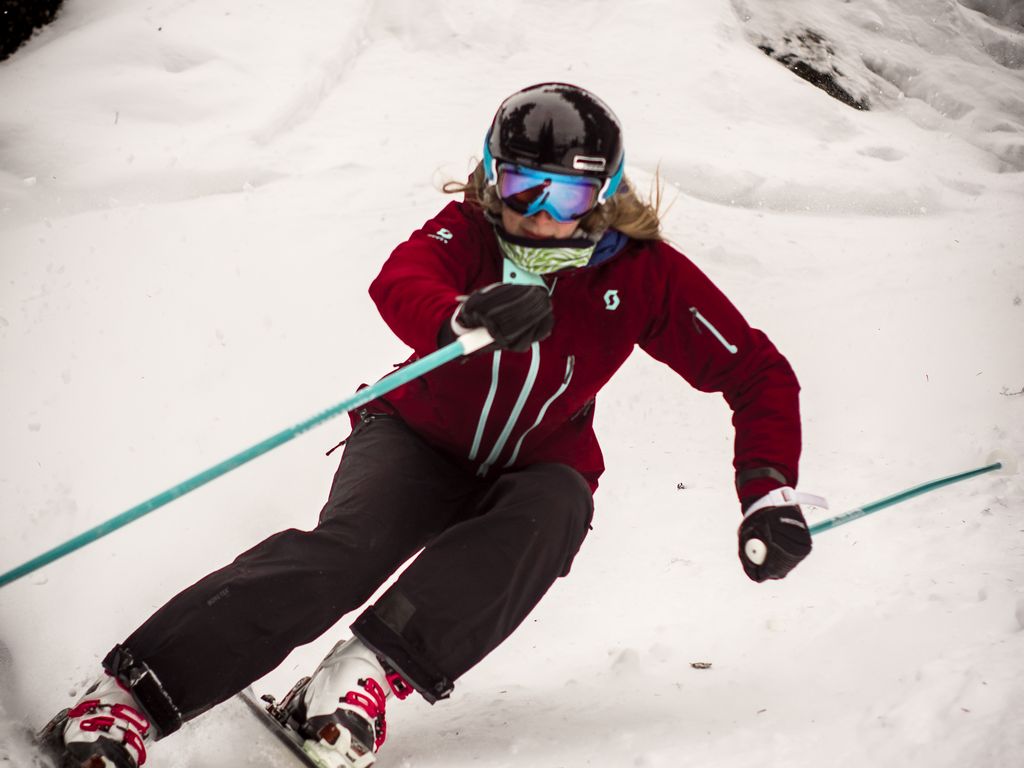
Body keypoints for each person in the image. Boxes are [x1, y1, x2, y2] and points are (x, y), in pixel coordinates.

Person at [53, 82, 815, 768]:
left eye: (566, 196)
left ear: (603, 196)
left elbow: (755, 370)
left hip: (537, 465)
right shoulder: (470, 231)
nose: (538, 214)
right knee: (347, 554)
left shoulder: (641, 274)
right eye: (519, 186)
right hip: (415, 437)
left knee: (557, 507)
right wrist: (461, 317)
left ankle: (360, 678)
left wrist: (768, 488)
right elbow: (401, 278)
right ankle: (130, 698)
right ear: (490, 177)